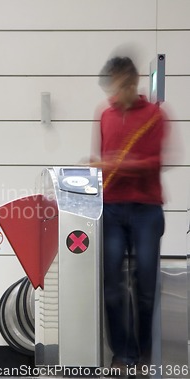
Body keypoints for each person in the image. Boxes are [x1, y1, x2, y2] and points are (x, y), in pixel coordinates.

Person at [93, 56, 167, 373]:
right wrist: (98, 167)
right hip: (111, 208)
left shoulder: (155, 116)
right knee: (111, 285)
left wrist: (111, 165)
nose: (115, 92)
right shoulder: (105, 115)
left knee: (145, 285)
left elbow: (153, 163)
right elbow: (102, 158)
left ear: (133, 81)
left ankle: (144, 352)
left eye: (120, 84)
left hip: (146, 209)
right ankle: (123, 354)